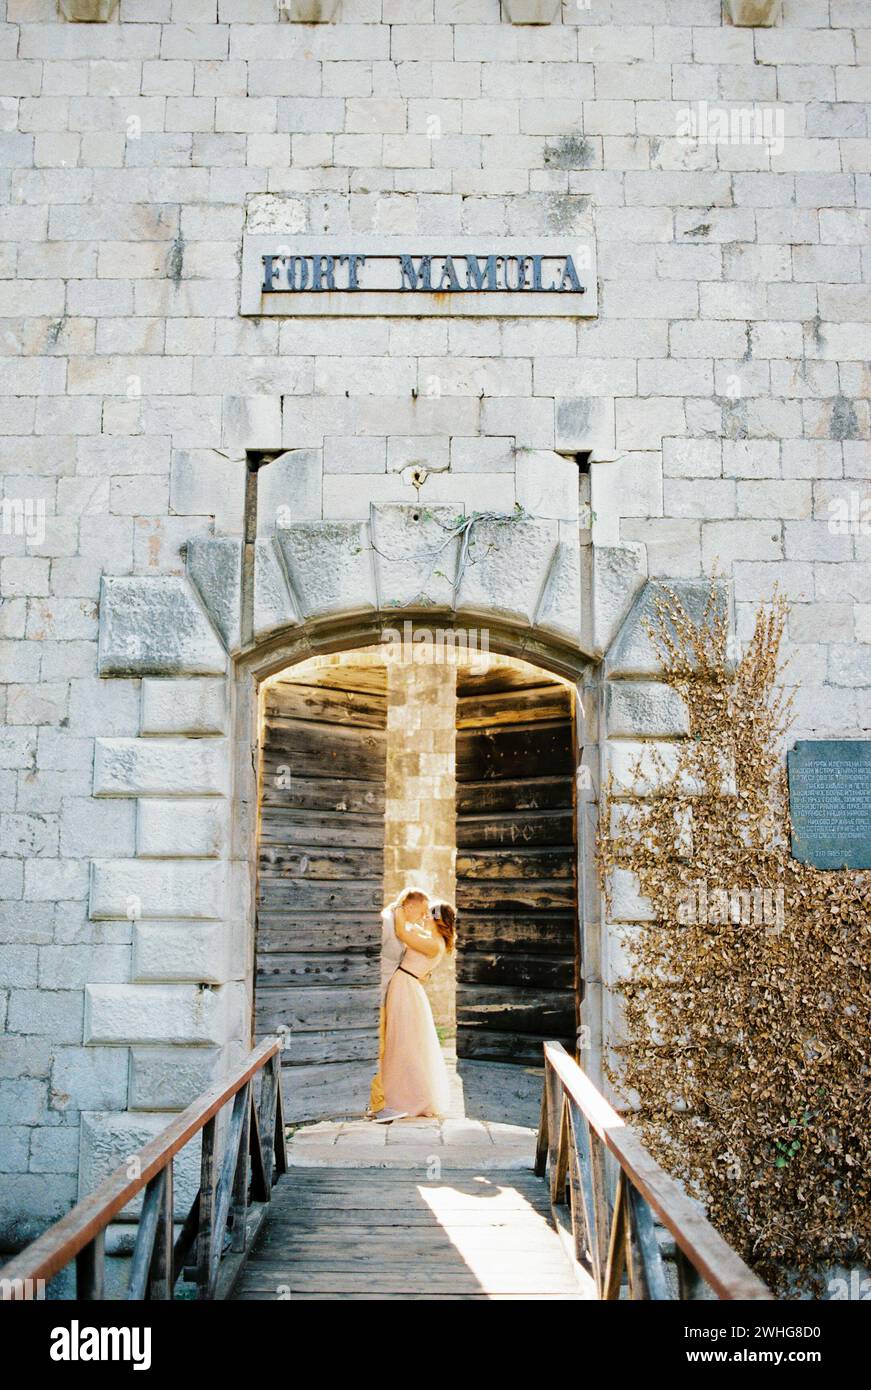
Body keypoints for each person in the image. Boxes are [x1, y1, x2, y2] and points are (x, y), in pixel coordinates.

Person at [377, 900, 457, 1122]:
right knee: (401, 1041)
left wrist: (398, 909)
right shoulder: (428, 937)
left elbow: (403, 932)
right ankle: (394, 1094)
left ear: (438, 919)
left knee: (405, 1043)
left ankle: (410, 1098)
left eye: (429, 914)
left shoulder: (435, 943)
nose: (424, 916)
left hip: (406, 988)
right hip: (404, 985)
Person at [367, 886, 430, 1122]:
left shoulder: (402, 926)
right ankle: (377, 1106)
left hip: (388, 997)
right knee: (378, 1048)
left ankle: (377, 1103)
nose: (424, 916)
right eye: (422, 911)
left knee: (382, 1049)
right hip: (376, 995)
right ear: (410, 905)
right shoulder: (385, 922)